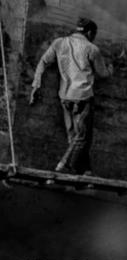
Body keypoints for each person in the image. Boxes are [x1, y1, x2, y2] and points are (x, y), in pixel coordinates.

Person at [30, 17, 112, 175]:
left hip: (65, 96)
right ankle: (66, 165)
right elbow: (103, 74)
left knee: (73, 135)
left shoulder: (59, 43)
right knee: (82, 137)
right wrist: (111, 68)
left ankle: (84, 170)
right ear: (89, 33)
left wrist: (36, 85)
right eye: (94, 34)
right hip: (83, 97)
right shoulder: (92, 49)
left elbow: (43, 62)